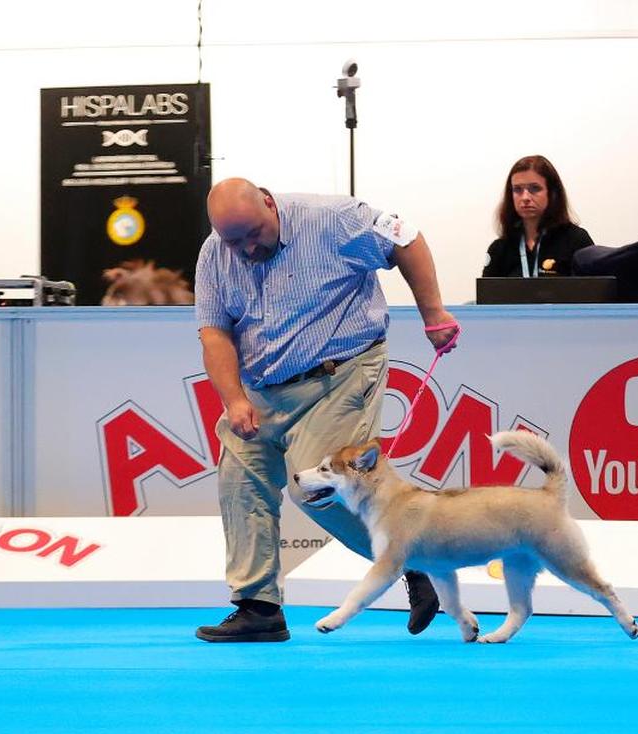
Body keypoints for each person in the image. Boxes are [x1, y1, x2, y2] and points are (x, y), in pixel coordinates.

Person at [193, 178, 459, 642]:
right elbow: (214, 332)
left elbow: (407, 238)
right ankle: (258, 607)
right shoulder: (215, 255)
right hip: (261, 386)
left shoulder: (334, 220)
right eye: (232, 240)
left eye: (253, 234)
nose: (245, 249)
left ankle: (414, 559)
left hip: (339, 374)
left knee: (316, 487)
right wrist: (234, 399)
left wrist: (432, 313)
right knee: (240, 483)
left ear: (270, 203)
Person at [482, 155, 593, 277]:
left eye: (534, 189)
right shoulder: (500, 249)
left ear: (552, 193)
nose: (525, 198)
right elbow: (487, 294)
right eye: (517, 189)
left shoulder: (576, 241)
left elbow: (595, 291)